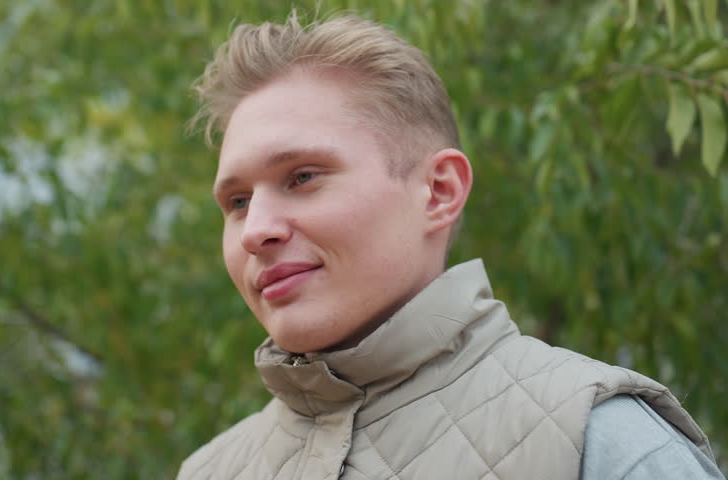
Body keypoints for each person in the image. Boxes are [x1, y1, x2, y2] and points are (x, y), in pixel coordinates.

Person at [178, 11, 724, 480]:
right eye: (238, 202)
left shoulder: (598, 440)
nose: (255, 231)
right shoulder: (211, 470)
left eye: (302, 177)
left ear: (438, 192)